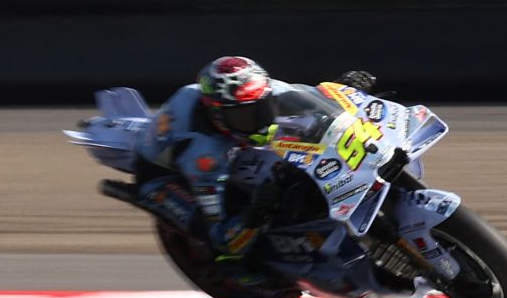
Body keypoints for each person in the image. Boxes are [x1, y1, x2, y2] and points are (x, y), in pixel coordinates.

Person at [133, 55, 376, 277]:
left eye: (263, 107)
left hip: (226, 145)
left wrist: (343, 92)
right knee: (226, 245)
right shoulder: (204, 155)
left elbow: (307, 101)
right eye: (246, 115)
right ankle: (232, 271)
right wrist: (255, 214)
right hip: (161, 175)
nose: (260, 120)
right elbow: (221, 234)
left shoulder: (258, 90)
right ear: (217, 115)